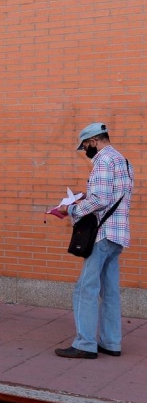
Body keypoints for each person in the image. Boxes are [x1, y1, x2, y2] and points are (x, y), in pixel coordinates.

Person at [55, 123, 133, 359]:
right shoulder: (123, 161)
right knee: (109, 291)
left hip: (101, 234)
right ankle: (111, 342)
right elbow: (113, 196)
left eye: (86, 145)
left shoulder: (103, 160)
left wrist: (71, 210)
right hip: (118, 234)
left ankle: (85, 344)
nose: (86, 150)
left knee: (84, 289)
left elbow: (100, 199)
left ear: (95, 141)